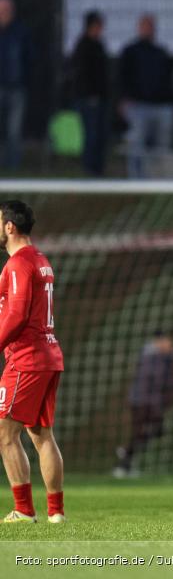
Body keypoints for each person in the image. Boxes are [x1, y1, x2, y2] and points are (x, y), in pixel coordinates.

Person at [0, 200, 66, 523]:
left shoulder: (19, 263)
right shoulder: (40, 259)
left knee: (5, 434)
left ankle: (24, 510)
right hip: (49, 355)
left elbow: (16, 314)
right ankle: (56, 513)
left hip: (26, 359)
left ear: (9, 226)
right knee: (41, 435)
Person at [113, 330, 173, 478]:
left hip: (149, 401)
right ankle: (123, 464)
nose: (170, 345)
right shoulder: (151, 357)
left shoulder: (159, 356)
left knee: (153, 431)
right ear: (159, 341)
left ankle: (126, 455)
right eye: (168, 342)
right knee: (142, 432)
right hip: (141, 401)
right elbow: (160, 379)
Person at [118, 13, 173, 179]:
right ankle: (136, 180)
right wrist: (124, 99)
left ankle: (157, 179)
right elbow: (122, 77)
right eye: (145, 25)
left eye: (150, 26)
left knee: (161, 147)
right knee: (137, 146)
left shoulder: (161, 52)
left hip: (161, 106)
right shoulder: (129, 51)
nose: (148, 29)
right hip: (138, 106)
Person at [69, 10, 109, 176]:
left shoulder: (99, 44)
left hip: (99, 98)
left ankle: (98, 169)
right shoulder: (83, 45)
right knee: (91, 135)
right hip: (88, 99)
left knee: (100, 136)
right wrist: (90, 94)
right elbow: (82, 74)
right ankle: (90, 169)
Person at [0, 0, 30, 170]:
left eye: (7, 10)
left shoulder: (21, 32)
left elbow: (29, 58)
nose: (5, 13)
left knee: (14, 131)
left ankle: (12, 167)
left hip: (16, 87)